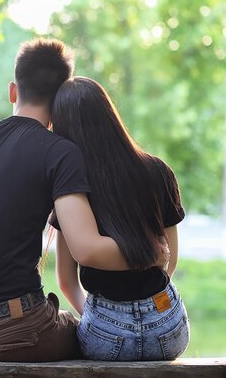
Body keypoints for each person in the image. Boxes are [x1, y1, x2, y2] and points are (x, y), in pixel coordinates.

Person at [0, 39, 168, 362]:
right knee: (88, 333)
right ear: (61, 102)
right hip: (19, 333)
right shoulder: (60, 153)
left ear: (13, 91)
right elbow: (86, 248)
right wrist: (151, 252)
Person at [50, 76, 189, 361]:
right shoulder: (158, 171)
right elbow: (169, 259)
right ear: (109, 115)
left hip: (104, 334)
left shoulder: (71, 191)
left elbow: (66, 280)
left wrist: (101, 319)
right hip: (168, 328)